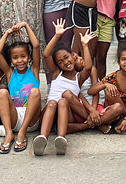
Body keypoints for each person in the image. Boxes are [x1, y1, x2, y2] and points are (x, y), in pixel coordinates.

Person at [33, 22, 96, 156]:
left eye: (66, 57)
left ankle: (61, 139)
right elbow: (46, 55)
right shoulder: (57, 73)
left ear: (73, 55)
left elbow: (88, 67)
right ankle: (42, 138)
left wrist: (84, 45)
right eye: (60, 62)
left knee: (63, 100)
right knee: (52, 103)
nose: (65, 62)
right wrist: (56, 36)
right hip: (49, 114)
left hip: (65, 114)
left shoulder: (78, 78)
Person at [0, 21, 42, 154]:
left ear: (29, 56)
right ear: (11, 60)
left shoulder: (34, 70)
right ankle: (9, 134)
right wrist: (7, 33)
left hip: (31, 120)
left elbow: (36, 46)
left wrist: (25, 25)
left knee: (35, 91)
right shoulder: (9, 73)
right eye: (15, 58)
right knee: (2, 92)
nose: (20, 61)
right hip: (15, 117)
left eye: (23, 56)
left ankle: (22, 133)